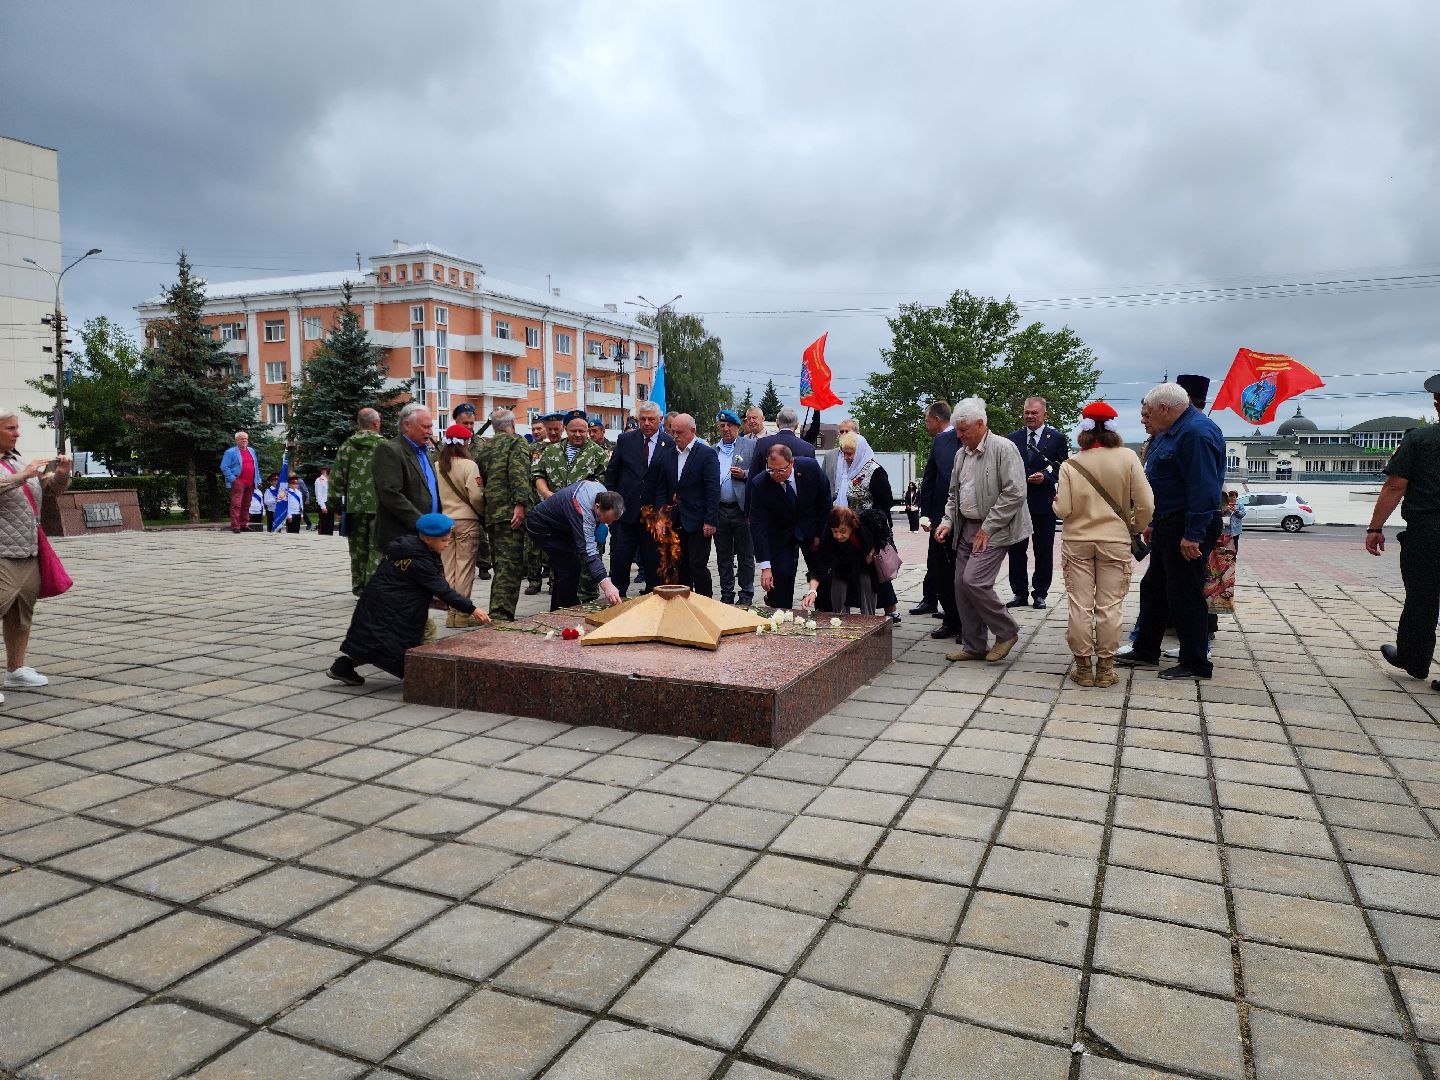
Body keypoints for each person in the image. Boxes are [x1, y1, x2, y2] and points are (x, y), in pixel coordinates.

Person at [1117, 383, 1225, 680]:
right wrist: (1153, 521)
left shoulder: (1196, 433)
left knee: (1185, 594)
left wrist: (1193, 533)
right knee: (1155, 587)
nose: (1143, 419)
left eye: (1147, 412)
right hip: (1168, 521)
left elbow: (1204, 488)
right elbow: (1163, 479)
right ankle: (1146, 649)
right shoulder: (1171, 432)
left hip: (1187, 524)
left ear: (1164, 408)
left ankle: (1195, 663)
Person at [1054, 401, 1154, 687]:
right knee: (1109, 606)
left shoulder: (1071, 463)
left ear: (1084, 431)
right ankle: (1106, 668)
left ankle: (1083, 668)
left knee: (1079, 605)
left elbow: (1063, 510)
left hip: (1077, 543)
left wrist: (1055, 504)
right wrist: (1132, 527)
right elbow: (1146, 504)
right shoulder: (1128, 457)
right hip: (1115, 541)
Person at [327, 513, 490, 686]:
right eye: (443, 540)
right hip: (393, 609)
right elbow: (443, 590)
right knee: (421, 631)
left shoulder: (407, 549)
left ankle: (343, 667)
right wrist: (472, 609)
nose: (448, 543)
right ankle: (422, 673)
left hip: (379, 604)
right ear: (427, 538)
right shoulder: (419, 560)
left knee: (373, 643)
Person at [935, 398, 1030, 664]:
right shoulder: (960, 454)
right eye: (957, 430)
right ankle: (974, 645)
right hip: (966, 528)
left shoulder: (1004, 448)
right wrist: (947, 522)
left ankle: (1007, 631)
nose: (959, 435)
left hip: (996, 528)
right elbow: (954, 494)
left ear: (981, 424)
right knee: (960, 586)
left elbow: (1015, 493)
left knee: (974, 581)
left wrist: (987, 527)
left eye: (964, 430)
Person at [1368, 374, 1440, 687]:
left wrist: (1375, 527)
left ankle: (1414, 658)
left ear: (1437, 402)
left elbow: (1396, 484)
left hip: (1429, 531)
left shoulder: (1420, 440)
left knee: (1422, 596)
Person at [0, 408, 71, 694]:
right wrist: (22, 476)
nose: (18, 433)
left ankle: (16, 670)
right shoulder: (19, 467)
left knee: (21, 614)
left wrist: (62, 475)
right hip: (2, 551)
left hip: (27, 548)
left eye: (17, 428)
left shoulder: (17, 459)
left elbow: (48, 489)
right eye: (10, 429)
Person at [536, 410, 610, 601]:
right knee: (562, 569)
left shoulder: (598, 454)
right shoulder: (551, 451)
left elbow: (604, 487)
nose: (578, 435)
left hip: (585, 518)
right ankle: (562, 605)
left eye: (582, 431)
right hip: (558, 520)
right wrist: (547, 495)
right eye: (573, 431)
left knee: (587, 566)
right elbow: (538, 475)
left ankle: (588, 602)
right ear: (565, 430)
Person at [604, 400, 675, 597]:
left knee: (653, 562)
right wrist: (610, 505)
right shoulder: (625, 440)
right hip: (624, 514)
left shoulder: (668, 443)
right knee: (620, 559)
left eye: (651, 419)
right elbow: (612, 473)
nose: (647, 423)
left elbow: (669, 481)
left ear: (660, 420)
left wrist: (664, 513)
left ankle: (654, 600)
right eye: (643, 419)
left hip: (653, 514)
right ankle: (617, 598)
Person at [645, 413, 720, 597]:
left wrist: (711, 520)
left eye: (679, 432)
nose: (675, 436)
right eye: (672, 432)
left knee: (697, 564)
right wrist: (661, 517)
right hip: (675, 519)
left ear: (692, 431)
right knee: (679, 564)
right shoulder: (668, 454)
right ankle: (684, 604)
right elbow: (662, 489)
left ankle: (705, 602)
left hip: (698, 520)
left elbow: (712, 490)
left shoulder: (706, 454)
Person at [747, 444, 831, 609]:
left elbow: (825, 501)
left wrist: (819, 534)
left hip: (810, 526)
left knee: (821, 572)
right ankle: (782, 614)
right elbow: (758, 525)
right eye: (771, 470)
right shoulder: (760, 483)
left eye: (780, 470)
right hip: (780, 533)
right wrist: (765, 566)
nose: (776, 475)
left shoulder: (810, 468)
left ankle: (826, 615)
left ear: (791, 463)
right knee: (781, 575)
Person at [1007, 396, 1069, 610]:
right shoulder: (1012, 438)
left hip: (1044, 504)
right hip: (1017, 504)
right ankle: (1019, 593)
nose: (1030, 416)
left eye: (1034, 413)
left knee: (1043, 551)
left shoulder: (1057, 438)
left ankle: (1040, 593)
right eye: (1027, 413)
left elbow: (1063, 469)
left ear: (1044, 414)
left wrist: (1046, 477)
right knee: (1016, 550)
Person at [473, 409, 535, 623]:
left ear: (493, 426)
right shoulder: (516, 443)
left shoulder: (485, 449)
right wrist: (520, 504)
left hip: (492, 514)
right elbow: (518, 473)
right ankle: (501, 614)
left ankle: (497, 611)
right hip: (510, 513)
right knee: (511, 566)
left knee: (500, 565)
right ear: (513, 425)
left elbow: (481, 481)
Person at [524, 480, 625, 610]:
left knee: (566, 567)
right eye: (606, 519)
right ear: (597, 507)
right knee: (569, 568)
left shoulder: (603, 493)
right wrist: (607, 585)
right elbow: (588, 551)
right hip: (541, 526)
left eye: (612, 521)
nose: (609, 524)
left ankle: (558, 609)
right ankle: (566, 610)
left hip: (561, 526)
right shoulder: (582, 510)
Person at [835, 432, 900, 622]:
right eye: (844, 454)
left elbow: (884, 504)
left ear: (861, 451)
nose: (846, 458)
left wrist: (877, 541)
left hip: (872, 532)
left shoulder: (875, 471)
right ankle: (854, 609)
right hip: (851, 533)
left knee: (877, 571)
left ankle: (890, 610)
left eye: (850, 454)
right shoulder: (848, 471)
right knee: (858, 571)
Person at [915, 401, 961, 641]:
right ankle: (951, 619)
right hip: (941, 521)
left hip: (968, 521)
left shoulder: (980, 441)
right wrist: (926, 514)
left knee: (964, 575)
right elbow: (930, 480)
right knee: (939, 570)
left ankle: (968, 623)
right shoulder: (940, 442)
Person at [329, 408, 386, 595]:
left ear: (359, 424)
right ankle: (373, 587)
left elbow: (336, 477)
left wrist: (336, 505)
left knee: (357, 549)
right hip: (380, 506)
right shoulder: (385, 446)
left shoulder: (347, 446)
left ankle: (360, 587)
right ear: (376, 423)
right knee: (376, 547)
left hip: (354, 507)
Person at [374, 402, 441, 557]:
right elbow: (390, 493)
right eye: (425, 427)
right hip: (402, 537)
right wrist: (421, 522)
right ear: (407, 425)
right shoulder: (390, 450)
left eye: (431, 427)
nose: (430, 432)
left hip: (428, 535)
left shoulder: (424, 452)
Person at [436, 423, 486, 627]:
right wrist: (482, 512)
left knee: (449, 570)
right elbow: (475, 496)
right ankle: (462, 615)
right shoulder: (469, 465)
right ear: (465, 443)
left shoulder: (438, 465)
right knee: (465, 568)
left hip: (445, 521)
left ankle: (451, 615)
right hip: (467, 521)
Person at [803, 507, 881, 615]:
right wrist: (812, 591)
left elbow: (882, 538)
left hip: (865, 565)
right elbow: (819, 566)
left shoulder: (864, 526)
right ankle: (839, 621)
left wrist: (874, 550)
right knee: (838, 586)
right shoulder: (829, 536)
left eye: (843, 531)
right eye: (835, 531)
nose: (838, 536)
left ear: (852, 525)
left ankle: (869, 621)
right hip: (842, 568)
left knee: (866, 582)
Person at [713, 408, 756, 606]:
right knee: (723, 555)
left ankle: (746, 593)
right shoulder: (713, 450)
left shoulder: (751, 446)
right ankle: (726, 592)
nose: (726, 429)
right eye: (722, 426)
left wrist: (745, 474)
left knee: (746, 554)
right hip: (720, 509)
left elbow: (760, 473)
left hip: (742, 509)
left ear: (738, 427)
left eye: (729, 425)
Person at [452, 402, 492, 580]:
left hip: (477, 491)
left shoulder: (481, 444)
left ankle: (484, 564)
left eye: (471, 423)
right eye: (464, 423)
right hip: (455, 495)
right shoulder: (449, 443)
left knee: (480, 531)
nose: (469, 427)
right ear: (455, 422)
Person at [750, 406, 817, 476]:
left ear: (777, 423)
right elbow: (812, 477)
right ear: (796, 426)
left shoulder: (762, 443)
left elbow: (753, 474)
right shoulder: (808, 448)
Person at [220, 431, 260, 534]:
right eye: (242, 438)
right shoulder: (230, 452)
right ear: (237, 440)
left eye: (246, 438)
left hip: (251, 482)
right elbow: (224, 467)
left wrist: (258, 479)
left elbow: (256, 467)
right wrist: (233, 479)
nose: (244, 440)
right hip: (238, 481)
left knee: (246, 505)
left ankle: (244, 524)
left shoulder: (251, 450)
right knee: (236, 504)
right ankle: (235, 525)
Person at [1226, 490, 1245, 555]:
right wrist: (1226, 509)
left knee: (1235, 543)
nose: (1232, 498)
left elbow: (1242, 514)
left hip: (1236, 528)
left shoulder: (1239, 504)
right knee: (1226, 543)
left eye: (1234, 497)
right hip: (1226, 528)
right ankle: (1225, 557)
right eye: (1230, 497)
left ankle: (1234, 556)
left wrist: (1235, 511)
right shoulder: (1225, 504)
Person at [315, 468, 333, 536]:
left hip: (329, 503)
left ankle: (329, 536)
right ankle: (323, 537)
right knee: (324, 523)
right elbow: (319, 494)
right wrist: (323, 506)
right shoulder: (320, 480)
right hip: (324, 503)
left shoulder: (328, 480)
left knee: (330, 523)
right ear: (326, 472)